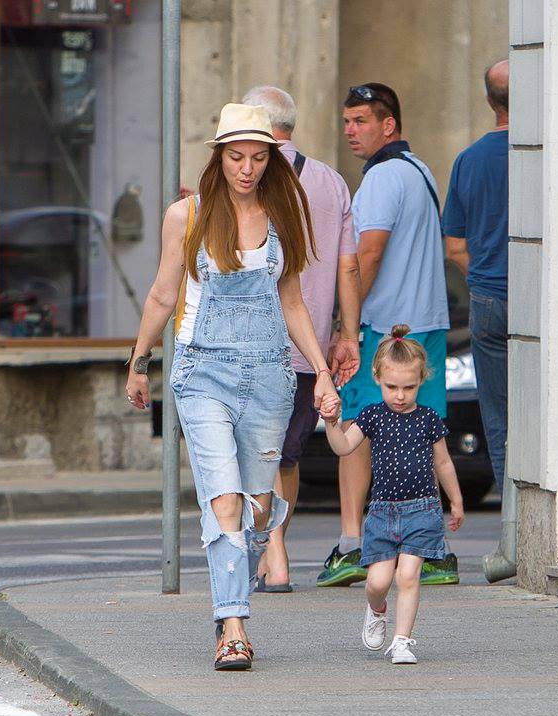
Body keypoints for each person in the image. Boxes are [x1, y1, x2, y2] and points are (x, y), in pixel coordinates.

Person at [125, 103, 337, 671]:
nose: (247, 168)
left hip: (269, 375)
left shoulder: (283, 213)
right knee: (223, 499)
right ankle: (233, 626)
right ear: (219, 157)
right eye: (237, 157)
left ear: (272, 160)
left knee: (258, 509)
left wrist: (321, 371)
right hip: (203, 373)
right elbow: (163, 293)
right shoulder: (187, 215)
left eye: (258, 158)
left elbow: (292, 300)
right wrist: (139, 360)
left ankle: (233, 595)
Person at [317, 83, 454, 588]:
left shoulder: (379, 178)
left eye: (361, 121)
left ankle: (353, 544)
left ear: (388, 124)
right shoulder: (421, 170)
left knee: (355, 429)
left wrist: (345, 325)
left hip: (382, 327)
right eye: (346, 121)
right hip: (428, 321)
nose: (350, 131)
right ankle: (430, 549)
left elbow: (368, 253)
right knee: (424, 433)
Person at [239, 85, 361, 593]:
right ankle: (273, 559)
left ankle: (274, 554)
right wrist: (347, 334)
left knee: (255, 451)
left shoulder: (248, 179)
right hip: (310, 348)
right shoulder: (332, 182)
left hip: (252, 341)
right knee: (286, 456)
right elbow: (349, 266)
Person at [319, 324, 464, 664]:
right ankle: (377, 609)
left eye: (409, 388)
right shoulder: (372, 416)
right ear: (377, 378)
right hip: (383, 513)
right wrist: (331, 422)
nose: (400, 396)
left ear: (421, 380)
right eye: (392, 387)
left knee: (408, 576)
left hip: (423, 511)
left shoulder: (428, 419)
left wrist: (455, 501)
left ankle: (402, 641)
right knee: (377, 583)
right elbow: (344, 447)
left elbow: (443, 463)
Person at [443, 60, 509, 493]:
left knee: (498, 417)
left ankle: (513, 518)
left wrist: (484, 277)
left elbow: (454, 247)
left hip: (488, 296)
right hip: (545, 299)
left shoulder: (468, 160)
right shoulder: (548, 153)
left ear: (489, 101)